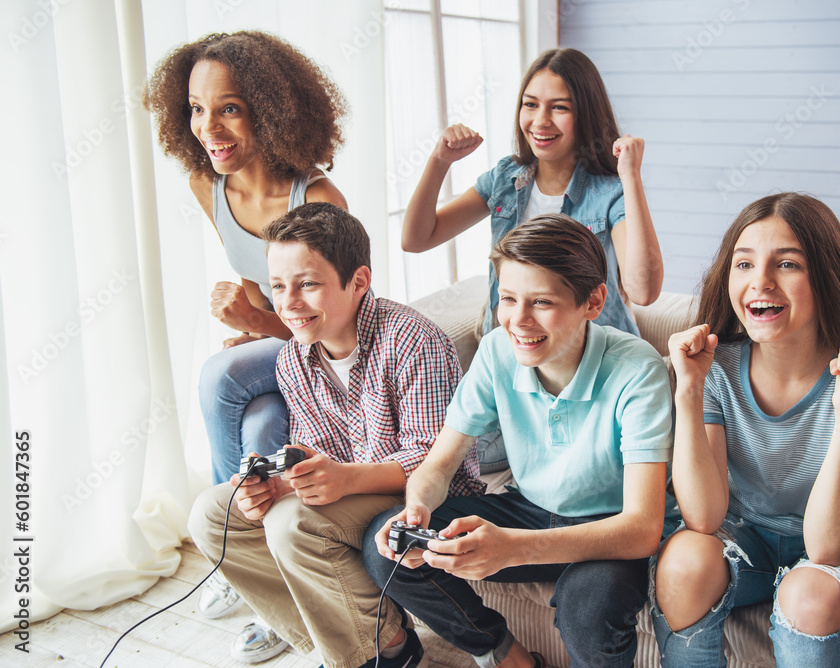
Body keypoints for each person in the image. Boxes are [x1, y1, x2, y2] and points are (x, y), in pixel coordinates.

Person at [364, 214, 674, 667]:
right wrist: (418, 508)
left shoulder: (636, 370)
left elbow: (643, 528)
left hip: (609, 528)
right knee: (386, 541)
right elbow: (440, 464)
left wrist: (511, 548)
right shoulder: (496, 351)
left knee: (588, 611)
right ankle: (504, 655)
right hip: (529, 510)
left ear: (593, 302)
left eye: (541, 302)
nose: (518, 320)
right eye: (508, 298)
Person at [188, 202, 484, 666]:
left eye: (307, 284)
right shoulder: (293, 358)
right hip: (357, 491)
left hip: (431, 498)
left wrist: (343, 479)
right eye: (279, 287)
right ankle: (369, 639)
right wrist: (277, 485)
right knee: (212, 513)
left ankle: (372, 652)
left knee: (292, 524)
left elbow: (434, 460)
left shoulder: (412, 340)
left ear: (359, 282)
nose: (288, 304)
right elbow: (319, 453)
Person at [651, 193, 840, 667]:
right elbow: (702, 517)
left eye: (787, 265)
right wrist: (689, 390)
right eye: (744, 264)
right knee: (682, 560)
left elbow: (827, 548)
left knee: (808, 594)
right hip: (747, 538)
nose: (760, 282)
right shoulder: (715, 370)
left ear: (826, 277)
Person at [144, 30, 349, 632]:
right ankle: (262, 581)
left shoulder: (317, 198)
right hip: (286, 348)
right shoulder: (206, 187)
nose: (210, 128)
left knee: (222, 372)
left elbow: (340, 330)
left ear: (273, 111)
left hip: (337, 359)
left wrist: (255, 327)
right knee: (260, 426)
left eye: (229, 108)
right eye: (197, 109)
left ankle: (226, 540)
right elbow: (261, 284)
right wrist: (258, 325)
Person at [402, 47, 663, 338]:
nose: (540, 120)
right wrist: (440, 162)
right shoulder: (504, 178)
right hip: (516, 350)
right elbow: (416, 239)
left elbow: (643, 292)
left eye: (560, 107)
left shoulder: (608, 192)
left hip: (597, 355)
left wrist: (630, 178)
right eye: (530, 104)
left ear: (586, 114)